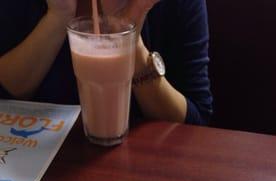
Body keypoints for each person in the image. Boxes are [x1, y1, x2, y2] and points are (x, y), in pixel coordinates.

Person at [0, 0, 212, 125]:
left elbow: (195, 121)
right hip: (37, 163)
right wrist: (58, 16)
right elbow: (6, 94)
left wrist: (131, 41)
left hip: (143, 176)